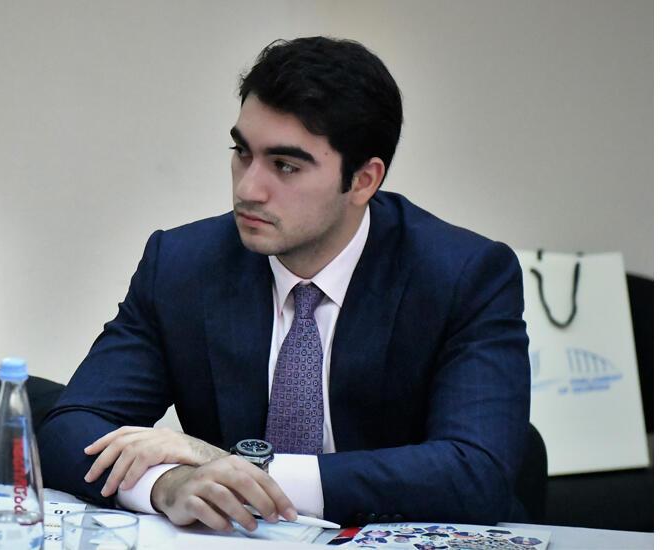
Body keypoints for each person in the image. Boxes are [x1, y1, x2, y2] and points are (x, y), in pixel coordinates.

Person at [38, 36, 530, 530]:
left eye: (286, 166)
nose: (248, 187)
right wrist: (169, 484)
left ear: (363, 180)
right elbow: (69, 431)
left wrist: (244, 470)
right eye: (242, 152)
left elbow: (477, 473)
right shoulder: (183, 266)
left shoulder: (463, 276)